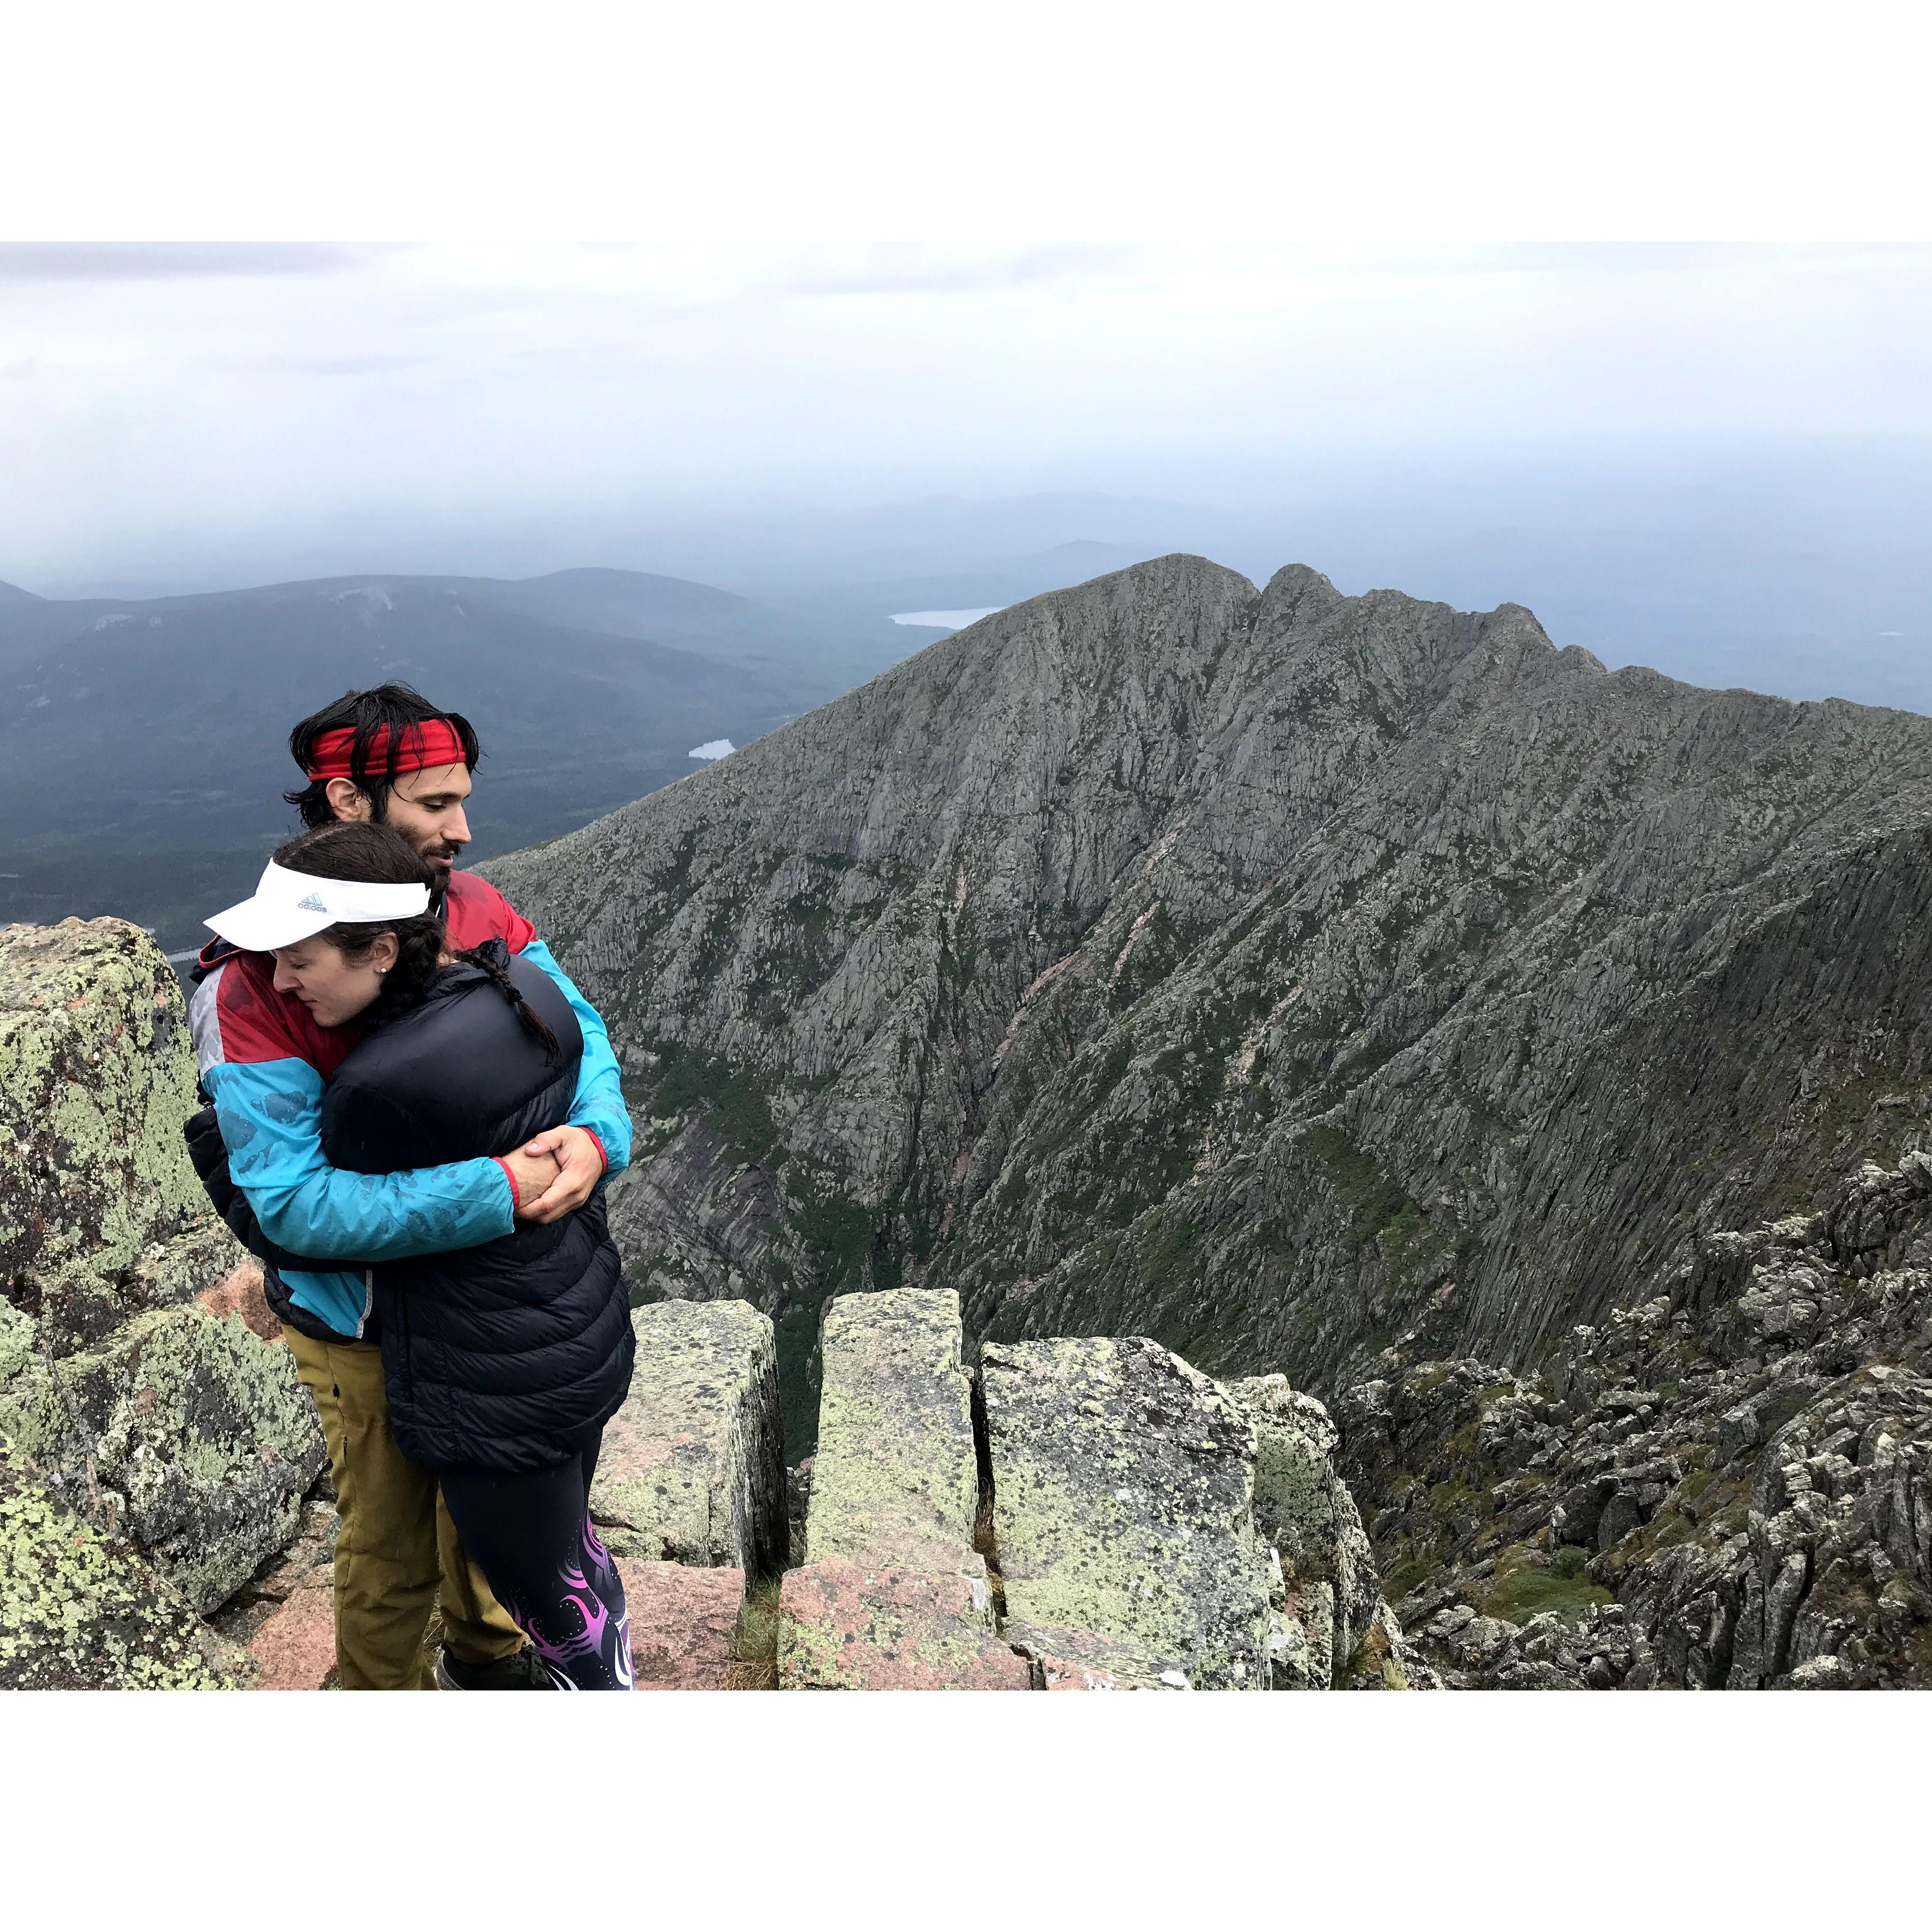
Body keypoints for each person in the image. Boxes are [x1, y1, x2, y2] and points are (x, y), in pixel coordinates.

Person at [184, 683, 633, 1690]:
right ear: (348, 800)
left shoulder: (472, 907)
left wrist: (599, 1138)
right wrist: (500, 1191)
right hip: (360, 1322)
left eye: (459, 800)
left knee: (484, 1525)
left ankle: (490, 1665)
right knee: (390, 1548)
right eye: (434, 805)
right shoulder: (258, 980)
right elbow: (290, 1206)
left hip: (480, 1311)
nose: (461, 830)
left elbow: (577, 1025)